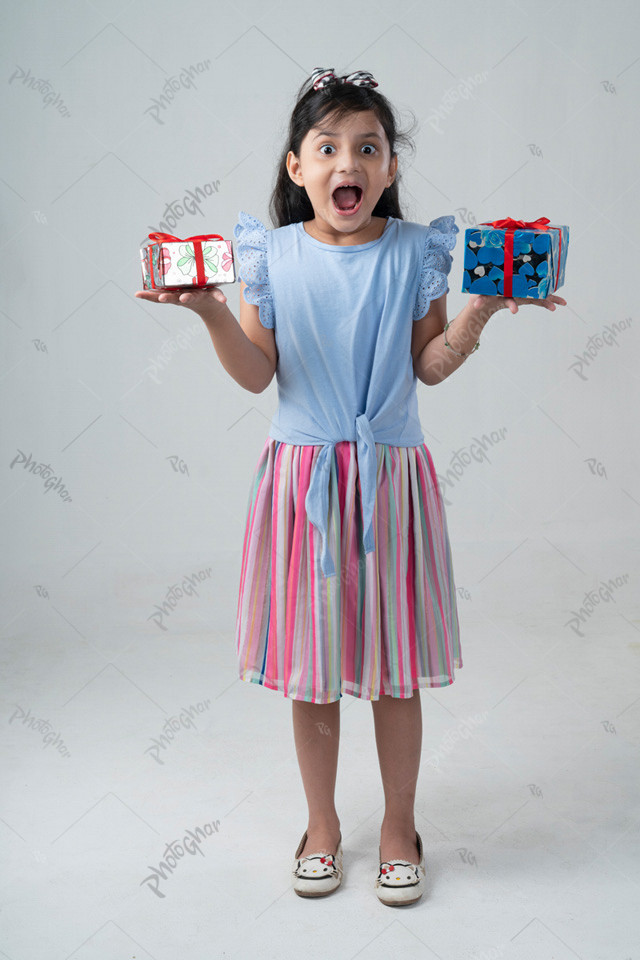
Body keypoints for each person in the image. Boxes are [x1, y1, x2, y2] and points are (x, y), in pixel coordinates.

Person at [135, 66, 567, 906]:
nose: (349, 162)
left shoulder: (415, 254)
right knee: (314, 669)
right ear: (297, 167)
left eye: (367, 147)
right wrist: (209, 312)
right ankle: (324, 824)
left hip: (390, 485)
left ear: (390, 169)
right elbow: (260, 376)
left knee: (396, 669)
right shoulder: (273, 254)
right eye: (328, 146)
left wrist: (477, 313)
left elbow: (428, 368)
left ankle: (400, 824)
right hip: (303, 487)